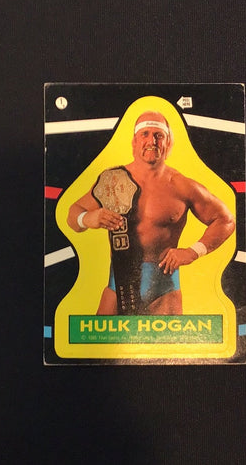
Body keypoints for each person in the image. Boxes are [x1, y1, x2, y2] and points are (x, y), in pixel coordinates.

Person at [67, 111, 235, 315]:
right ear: (134, 141)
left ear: (168, 142)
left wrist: (193, 251)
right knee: (101, 336)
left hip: (165, 289)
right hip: (118, 284)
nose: (151, 141)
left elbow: (226, 220)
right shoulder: (113, 180)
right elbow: (73, 215)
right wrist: (88, 218)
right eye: (145, 134)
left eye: (158, 135)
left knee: (169, 338)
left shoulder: (182, 186)